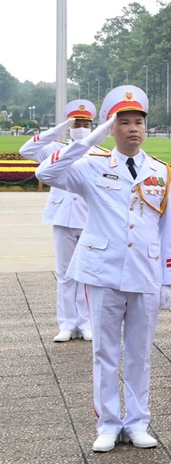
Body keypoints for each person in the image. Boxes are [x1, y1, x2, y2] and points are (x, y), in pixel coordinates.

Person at [36, 85, 171, 452]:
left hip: (145, 272)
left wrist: (169, 278)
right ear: (111, 128)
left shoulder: (160, 172)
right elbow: (48, 172)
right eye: (124, 122)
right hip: (103, 271)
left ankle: (137, 421)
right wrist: (89, 140)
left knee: (139, 353)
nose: (133, 128)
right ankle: (108, 423)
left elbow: (168, 229)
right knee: (104, 352)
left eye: (139, 122)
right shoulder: (90, 166)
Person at [20, 99, 98, 342]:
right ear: (69, 125)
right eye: (77, 123)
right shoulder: (56, 148)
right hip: (63, 217)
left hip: (90, 219)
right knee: (64, 273)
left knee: (86, 274)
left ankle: (86, 323)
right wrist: (59, 129)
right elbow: (26, 151)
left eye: (86, 123)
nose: (82, 128)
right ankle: (66, 324)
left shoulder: (99, 152)